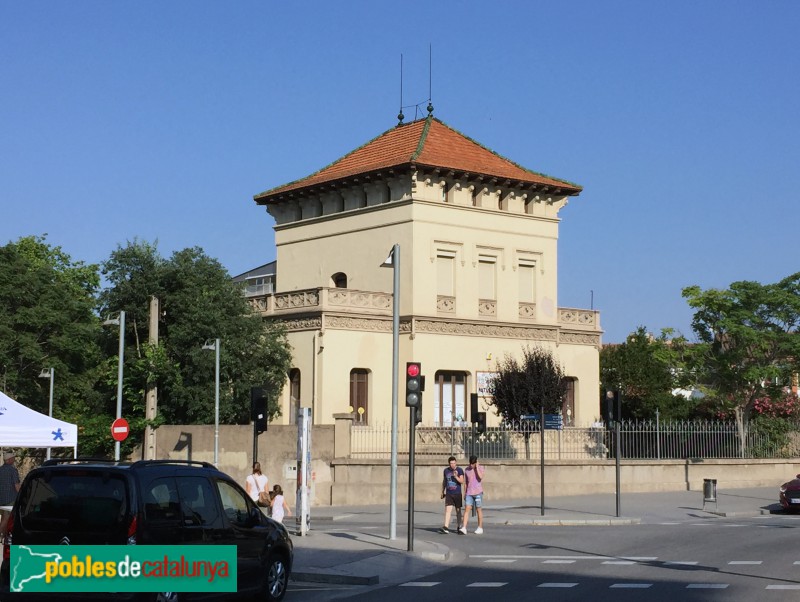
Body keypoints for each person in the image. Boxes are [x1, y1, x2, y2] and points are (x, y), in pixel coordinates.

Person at [439, 456, 464, 534]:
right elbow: (444, 481)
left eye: (454, 463)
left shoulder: (459, 470)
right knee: (448, 510)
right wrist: (442, 491)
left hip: (457, 493)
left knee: (458, 510)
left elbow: (462, 481)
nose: (452, 465)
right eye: (451, 463)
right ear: (449, 464)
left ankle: (459, 526)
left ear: (456, 463)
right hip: (449, 493)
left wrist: (456, 476)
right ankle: (446, 527)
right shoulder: (446, 471)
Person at [462, 454, 485, 534]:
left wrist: (477, 467)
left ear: (476, 462)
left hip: (478, 492)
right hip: (469, 492)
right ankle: (464, 527)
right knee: (467, 509)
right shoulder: (467, 470)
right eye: (470, 464)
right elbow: (465, 483)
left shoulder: (481, 468)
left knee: (479, 509)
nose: (471, 465)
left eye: (473, 464)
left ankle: (480, 527)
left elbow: (480, 477)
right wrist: (464, 493)